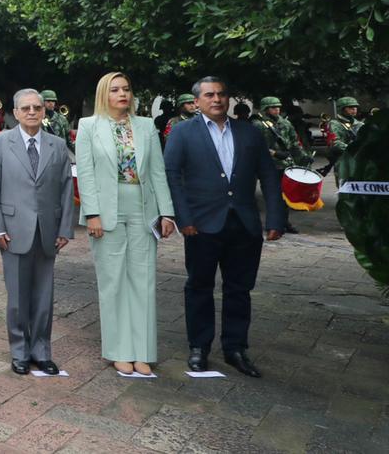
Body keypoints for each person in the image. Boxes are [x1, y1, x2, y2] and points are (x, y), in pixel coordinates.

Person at [164, 76, 285, 378]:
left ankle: (235, 348)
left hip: (243, 224)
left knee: (240, 289)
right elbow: (171, 175)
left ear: (228, 99)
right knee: (199, 286)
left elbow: (269, 176)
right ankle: (199, 348)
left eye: (221, 94)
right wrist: (184, 218)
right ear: (197, 101)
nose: (216, 99)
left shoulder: (250, 133)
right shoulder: (182, 132)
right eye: (209, 95)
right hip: (201, 225)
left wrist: (275, 218)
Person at [76, 73, 176, 375]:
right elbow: (86, 171)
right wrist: (92, 213)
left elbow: (158, 172)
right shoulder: (88, 126)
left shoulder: (146, 126)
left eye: (126, 89)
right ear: (103, 95)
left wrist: (167, 212)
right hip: (106, 210)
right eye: (115, 90)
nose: (122, 94)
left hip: (143, 208)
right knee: (113, 280)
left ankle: (142, 352)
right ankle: (119, 350)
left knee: (143, 279)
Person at [0, 89, 75, 375]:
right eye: (26, 108)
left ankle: (41, 350)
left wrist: (65, 228)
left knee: (44, 295)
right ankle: (20, 351)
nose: (33, 112)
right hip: (12, 230)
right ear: (15, 111)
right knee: (18, 296)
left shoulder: (58, 144)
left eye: (38, 107)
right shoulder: (0, 142)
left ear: (44, 111)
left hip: (48, 229)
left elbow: (66, 188)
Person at [251, 97, 309, 234]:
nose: (276, 109)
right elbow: (254, 146)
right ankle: (273, 226)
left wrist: (303, 157)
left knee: (286, 196)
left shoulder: (285, 123)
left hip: (286, 165)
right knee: (272, 196)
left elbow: (294, 143)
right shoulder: (258, 125)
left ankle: (284, 222)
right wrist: (274, 153)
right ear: (265, 109)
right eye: (273, 107)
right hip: (268, 166)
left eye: (278, 107)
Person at [326, 97, 362, 181]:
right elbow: (335, 143)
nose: (354, 109)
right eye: (350, 107)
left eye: (355, 107)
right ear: (341, 109)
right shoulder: (335, 124)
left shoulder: (359, 124)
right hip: (343, 161)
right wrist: (354, 149)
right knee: (346, 188)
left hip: (360, 161)